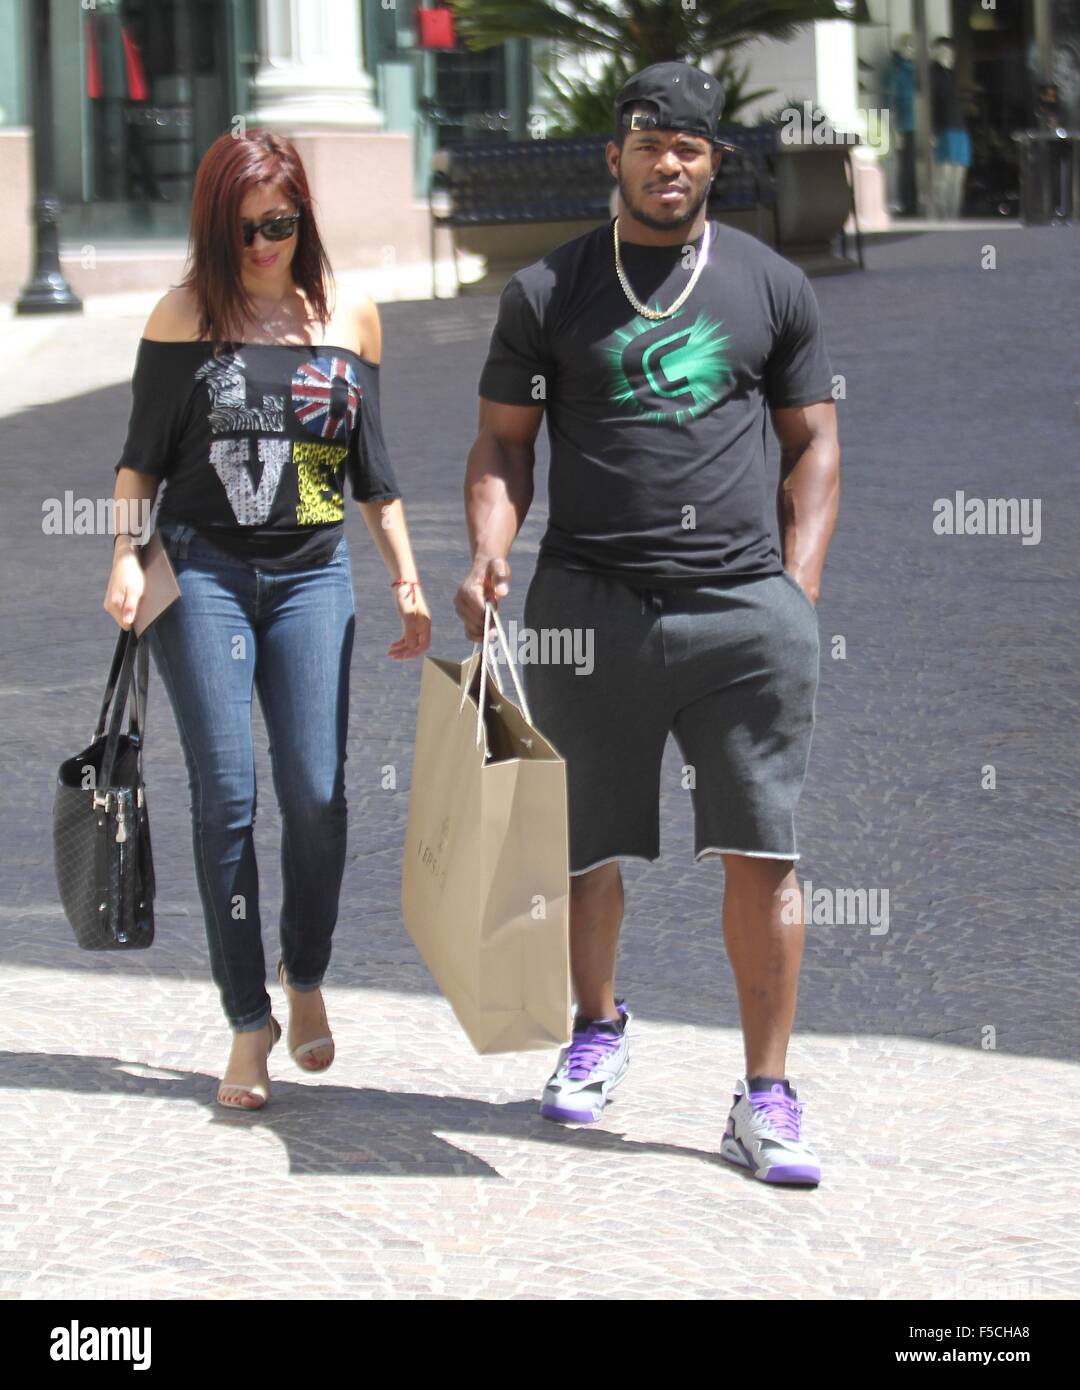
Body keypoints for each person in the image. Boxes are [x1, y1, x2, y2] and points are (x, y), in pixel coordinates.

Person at [456, 63, 840, 1185]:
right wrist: (490, 545)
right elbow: (502, 445)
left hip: (743, 614)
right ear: (614, 154)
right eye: (647, 142)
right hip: (588, 608)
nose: (667, 162)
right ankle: (597, 1027)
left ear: (714, 161)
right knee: (583, 847)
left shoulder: (770, 285)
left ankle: (766, 1095)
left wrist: (798, 589)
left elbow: (812, 441)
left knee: (764, 854)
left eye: (689, 147)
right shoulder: (548, 290)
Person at [104, 130, 431, 1110]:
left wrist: (407, 580)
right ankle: (248, 1017)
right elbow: (139, 464)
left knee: (319, 794)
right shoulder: (183, 317)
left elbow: (371, 474)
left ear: (303, 219)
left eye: (277, 225)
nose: (261, 245)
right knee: (229, 798)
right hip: (201, 570)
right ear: (215, 229)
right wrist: (122, 551)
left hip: (311, 576)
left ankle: (306, 970)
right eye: (241, 229)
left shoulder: (347, 317)